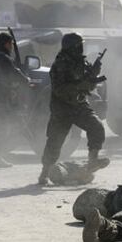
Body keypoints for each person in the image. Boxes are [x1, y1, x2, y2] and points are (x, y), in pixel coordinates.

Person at [38, 33, 109, 185]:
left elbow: (89, 84)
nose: (81, 48)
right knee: (55, 141)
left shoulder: (81, 63)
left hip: (79, 105)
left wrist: (94, 74)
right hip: (62, 108)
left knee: (96, 127)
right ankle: (44, 172)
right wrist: (80, 85)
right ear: (72, 47)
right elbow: (59, 89)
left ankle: (92, 160)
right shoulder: (60, 65)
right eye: (79, 45)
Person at [0, 32, 29, 169]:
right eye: (11, 44)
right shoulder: (3, 58)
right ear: (6, 44)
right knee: (1, 128)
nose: (12, 47)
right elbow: (14, 74)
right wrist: (26, 81)